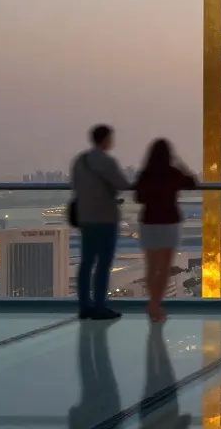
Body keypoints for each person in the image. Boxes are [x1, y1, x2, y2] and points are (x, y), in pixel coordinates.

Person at [71, 124, 130, 320]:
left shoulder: (80, 160)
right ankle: (99, 305)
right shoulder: (106, 161)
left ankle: (84, 305)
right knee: (103, 263)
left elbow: (77, 186)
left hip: (85, 217)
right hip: (105, 217)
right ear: (106, 140)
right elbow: (122, 184)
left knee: (86, 262)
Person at [133, 139, 196, 322]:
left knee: (151, 268)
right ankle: (155, 305)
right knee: (164, 268)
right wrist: (179, 163)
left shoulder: (145, 174)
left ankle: (153, 304)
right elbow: (192, 182)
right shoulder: (173, 173)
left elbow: (138, 197)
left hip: (149, 223)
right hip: (169, 223)